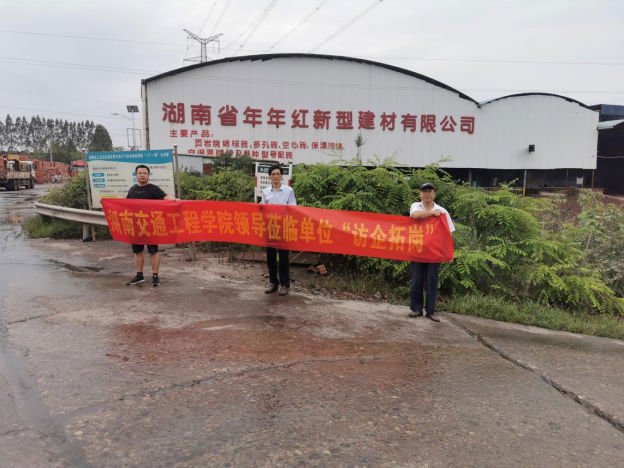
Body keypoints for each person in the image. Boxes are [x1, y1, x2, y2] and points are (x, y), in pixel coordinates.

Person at [408, 182, 455, 322]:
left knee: (432, 281)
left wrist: (449, 253)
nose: (427, 194)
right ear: (420, 194)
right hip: (417, 251)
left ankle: (430, 311)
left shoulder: (442, 211)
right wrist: (432, 213)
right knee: (416, 281)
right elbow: (414, 216)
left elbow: (448, 234)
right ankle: (416, 309)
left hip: (434, 253)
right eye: (424, 191)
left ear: (434, 194)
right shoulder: (416, 206)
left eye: (430, 191)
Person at [126, 164, 179, 287]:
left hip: (151, 226)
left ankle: (155, 276)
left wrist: (174, 200)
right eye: (140, 173)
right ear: (136, 175)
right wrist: (107, 203)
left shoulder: (153, 189)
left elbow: (165, 197)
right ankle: (139, 276)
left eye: (145, 173)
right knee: (137, 251)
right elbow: (125, 204)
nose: (142, 175)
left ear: (148, 175)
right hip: (137, 226)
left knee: (153, 251)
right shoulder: (132, 190)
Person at [261, 164, 296, 296]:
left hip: (284, 227)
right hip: (270, 227)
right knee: (270, 257)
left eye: (278, 174)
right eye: (273, 174)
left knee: (283, 257)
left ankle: (285, 284)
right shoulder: (266, 191)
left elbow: (293, 207)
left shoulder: (288, 190)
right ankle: (273, 283)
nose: (275, 176)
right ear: (270, 177)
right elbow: (262, 207)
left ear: (281, 176)